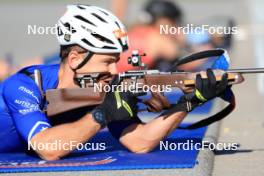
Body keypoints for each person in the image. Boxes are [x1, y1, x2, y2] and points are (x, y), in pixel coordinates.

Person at [0, 5, 229, 160]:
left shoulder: (98, 89)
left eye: (116, 62)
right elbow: (48, 148)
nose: (114, 71)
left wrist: (189, 102)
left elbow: (139, 142)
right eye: (107, 62)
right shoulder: (24, 85)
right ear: (75, 59)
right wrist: (101, 115)